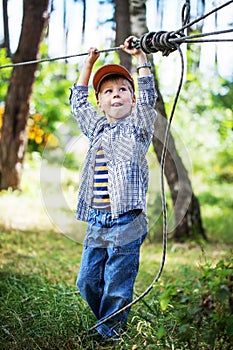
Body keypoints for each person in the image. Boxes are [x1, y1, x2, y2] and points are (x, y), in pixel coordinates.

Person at [69, 35, 157, 339]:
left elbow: (148, 96)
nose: (116, 95)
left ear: (132, 100)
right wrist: (88, 65)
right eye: (108, 91)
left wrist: (141, 58)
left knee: (117, 282)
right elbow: (78, 102)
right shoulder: (97, 128)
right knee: (87, 281)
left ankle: (109, 332)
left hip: (127, 219)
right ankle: (108, 322)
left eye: (123, 90)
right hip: (98, 218)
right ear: (100, 102)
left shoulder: (139, 127)